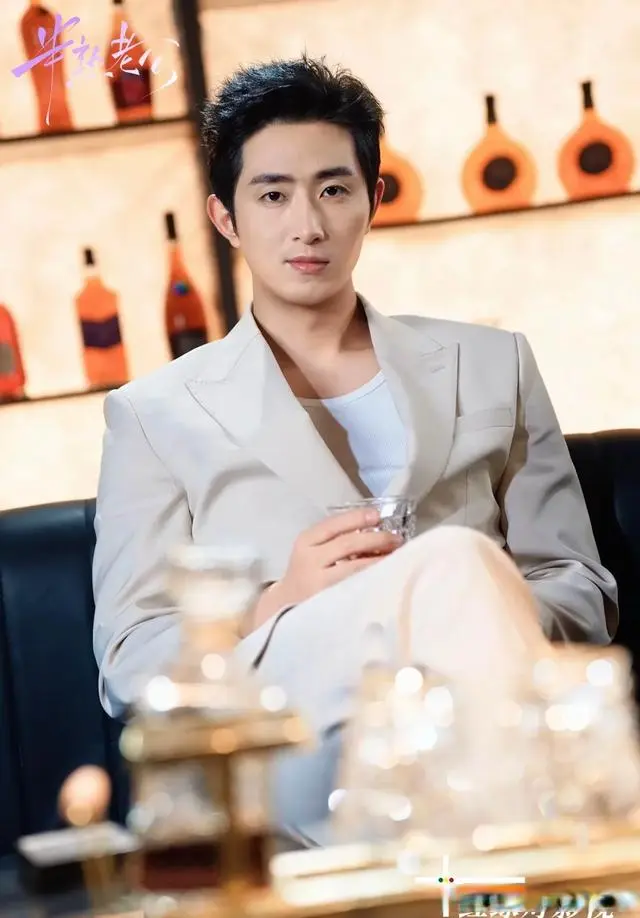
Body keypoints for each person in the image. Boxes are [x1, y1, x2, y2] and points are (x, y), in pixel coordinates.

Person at [93, 55, 618, 843]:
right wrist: (277, 601)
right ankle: (551, 867)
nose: (307, 225)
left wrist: (457, 607)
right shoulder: (155, 413)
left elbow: (579, 587)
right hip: (292, 736)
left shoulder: (492, 363)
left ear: (373, 200)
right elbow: (130, 660)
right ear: (226, 217)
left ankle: (493, 865)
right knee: (456, 560)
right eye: (273, 195)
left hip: (465, 712)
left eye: (333, 190)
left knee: (456, 566)